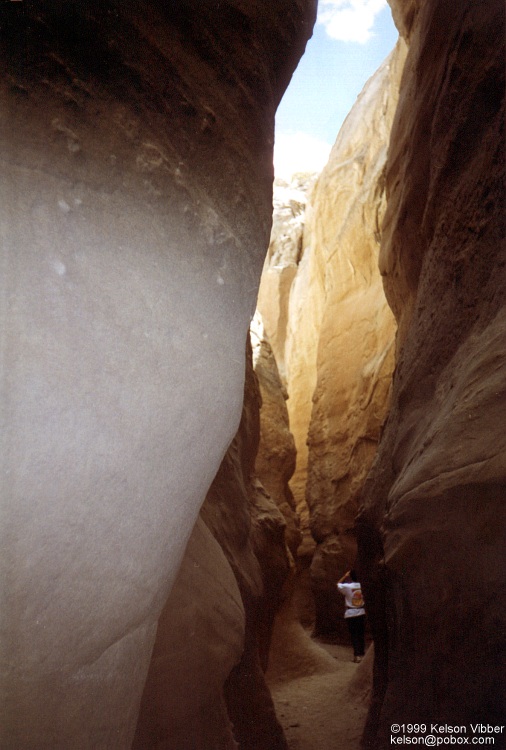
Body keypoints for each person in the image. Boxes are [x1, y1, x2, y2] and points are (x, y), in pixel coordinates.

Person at [337, 569, 366, 663]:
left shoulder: (347, 586)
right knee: (361, 634)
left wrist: (345, 576)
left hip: (351, 613)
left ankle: (357, 656)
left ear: (350, 577)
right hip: (361, 612)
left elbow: (338, 584)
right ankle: (362, 653)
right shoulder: (363, 586)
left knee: (354, 635)